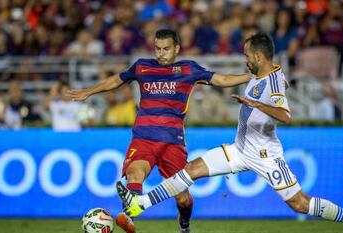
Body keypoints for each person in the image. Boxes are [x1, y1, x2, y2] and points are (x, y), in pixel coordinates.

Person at [116, 32, 343, 233]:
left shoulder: (274, 82)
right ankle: (141, 204)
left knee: (300, 204)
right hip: (239, 150)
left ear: (258, 56)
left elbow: (286, 115)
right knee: (189, 171)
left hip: (266, 155)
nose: (244, 60)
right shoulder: (260, 75)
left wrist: (256, 103)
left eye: (246, 55)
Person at [65, 29, 251, 233]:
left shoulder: (189, 69)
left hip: (173, 141)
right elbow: (117, 80)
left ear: (177, 49)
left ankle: (184, 223)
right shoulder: (142, 66)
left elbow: (222, 80)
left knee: (182, 197)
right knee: (135, 174)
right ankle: (128, 217)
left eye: (166, 49)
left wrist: (252, 77)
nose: (161, 53)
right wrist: (89, 92)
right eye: (158, 49)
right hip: (143, 138)